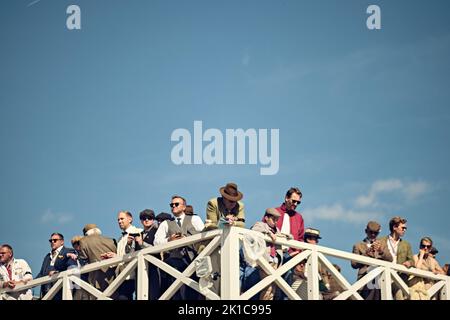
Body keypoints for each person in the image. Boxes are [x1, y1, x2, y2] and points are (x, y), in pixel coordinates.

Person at [154, 195, 204, 299]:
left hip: (195, 259)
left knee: (195, 293)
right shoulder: (166, 223)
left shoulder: (194, 218)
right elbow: (156, 242)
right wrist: (169, 240)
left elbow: (203, 235)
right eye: (171, 205)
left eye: (176, 204)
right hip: (176, 262)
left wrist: (187, 238)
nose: (173, 206)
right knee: (178, 293)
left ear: (184, 207)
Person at [101, 211, 142, 300]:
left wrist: (117, 257)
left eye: (122, 219)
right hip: (121, 276)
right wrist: (112, 257)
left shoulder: (138, 231)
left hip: (133, 274)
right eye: (118, 220)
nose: (119, 221)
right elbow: (121, 256)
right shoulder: (120, 239)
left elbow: (136, 252)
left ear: (130, 219)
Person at [351, 221, 393, 300]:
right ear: (366, 231)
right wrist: (367, 252)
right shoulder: (358, 245)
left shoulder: (382, 244)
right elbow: (354, 264)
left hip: (380, 279)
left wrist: (381, 251)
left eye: (376, 233)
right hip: (365, 280)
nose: (373, 235)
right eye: (371, 232)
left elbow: (390, 259)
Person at [249, 208, 282, 300]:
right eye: (273, 219)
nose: (275, 222)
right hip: (266, 260)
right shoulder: (261, 224)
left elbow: (280, 237)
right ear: (266, 218)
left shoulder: (277, 230)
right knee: (267, 286)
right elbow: (254, 229)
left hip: (275, 261)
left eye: (277, 220)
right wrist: (269, 233)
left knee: (273, 288)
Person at [378, 216, 414, 300]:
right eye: (403, 228)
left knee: (399, 296)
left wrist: (409, 263)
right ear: (394, 227)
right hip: (383, 275)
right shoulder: (381, 240)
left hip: (399, 277)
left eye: (405, 228)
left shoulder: (406, 244)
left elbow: (412, 260)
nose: (404, 230)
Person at [78, 224, 117, 298]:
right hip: (114, 278)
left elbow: (83, 259)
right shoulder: (111, 240)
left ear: (86, 233)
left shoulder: (84, 241)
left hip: (96, 279)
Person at [36, 233, 77, 299]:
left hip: (61, 292)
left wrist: (57, 272)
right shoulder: (47, 256)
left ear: (62, 242)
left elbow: (71, 269)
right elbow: (41, 274)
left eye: (55, 240)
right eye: (50, 240)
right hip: (46, 293)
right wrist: (28, 283)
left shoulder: (69, 251)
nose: (52, 242)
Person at [134, 209, 160, 300]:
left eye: (149, 218)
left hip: (154, 267)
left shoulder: (157, 230)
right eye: (143, 218)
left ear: (153, 219)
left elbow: (156, 248)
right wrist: (129, 244)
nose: (146, 220)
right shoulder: (138, 234)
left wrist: (142, 243)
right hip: (140, 270)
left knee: (154, 294)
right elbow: (132, 252)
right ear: (141, 221)